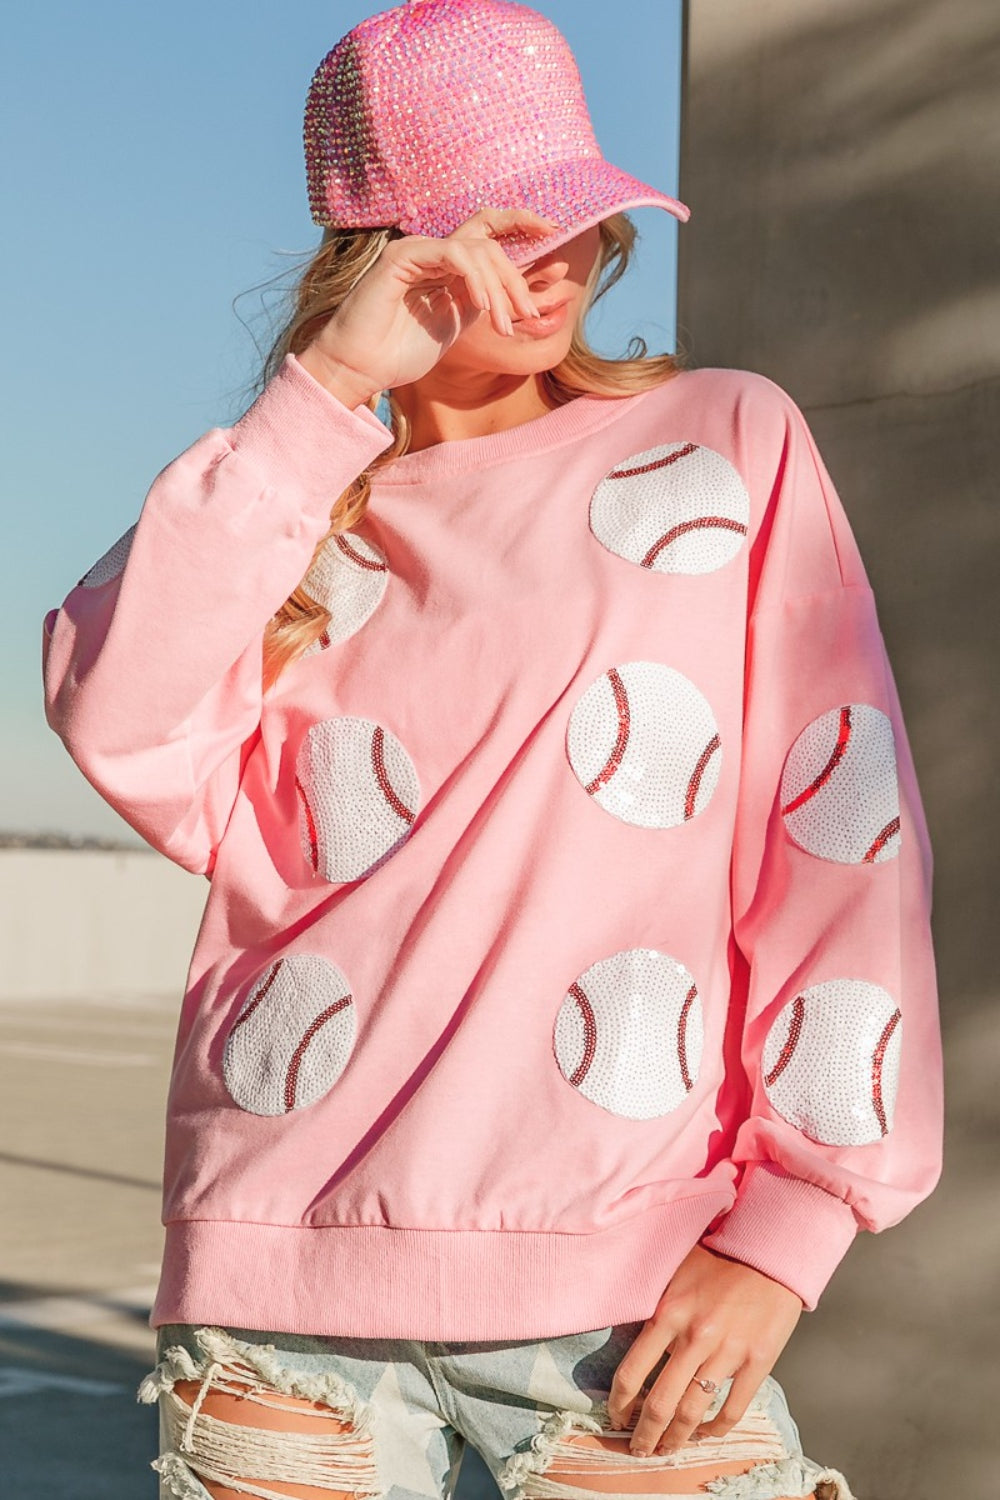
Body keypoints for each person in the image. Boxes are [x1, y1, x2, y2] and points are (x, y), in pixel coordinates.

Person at [41, 3, 943, 1498]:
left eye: (574, 220)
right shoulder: (290, 505)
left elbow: (839, 835)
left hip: (627, 1298)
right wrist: (327, 391)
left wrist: (798, 1223)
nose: (552, 267)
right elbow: (119, 719)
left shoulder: (725, 445)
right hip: (285, 1309)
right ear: (385, 256)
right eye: (493, 231)